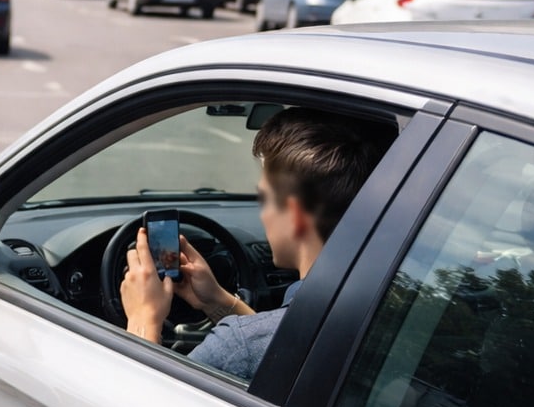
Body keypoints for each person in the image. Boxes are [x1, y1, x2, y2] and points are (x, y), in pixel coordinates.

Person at [122, 107, 392, 383]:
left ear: (295, 216)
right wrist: (216, 300)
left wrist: (144, 317)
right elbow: (279, 344)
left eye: (263, 199)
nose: (261, 213)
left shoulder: (237, 347)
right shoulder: (393, 309)